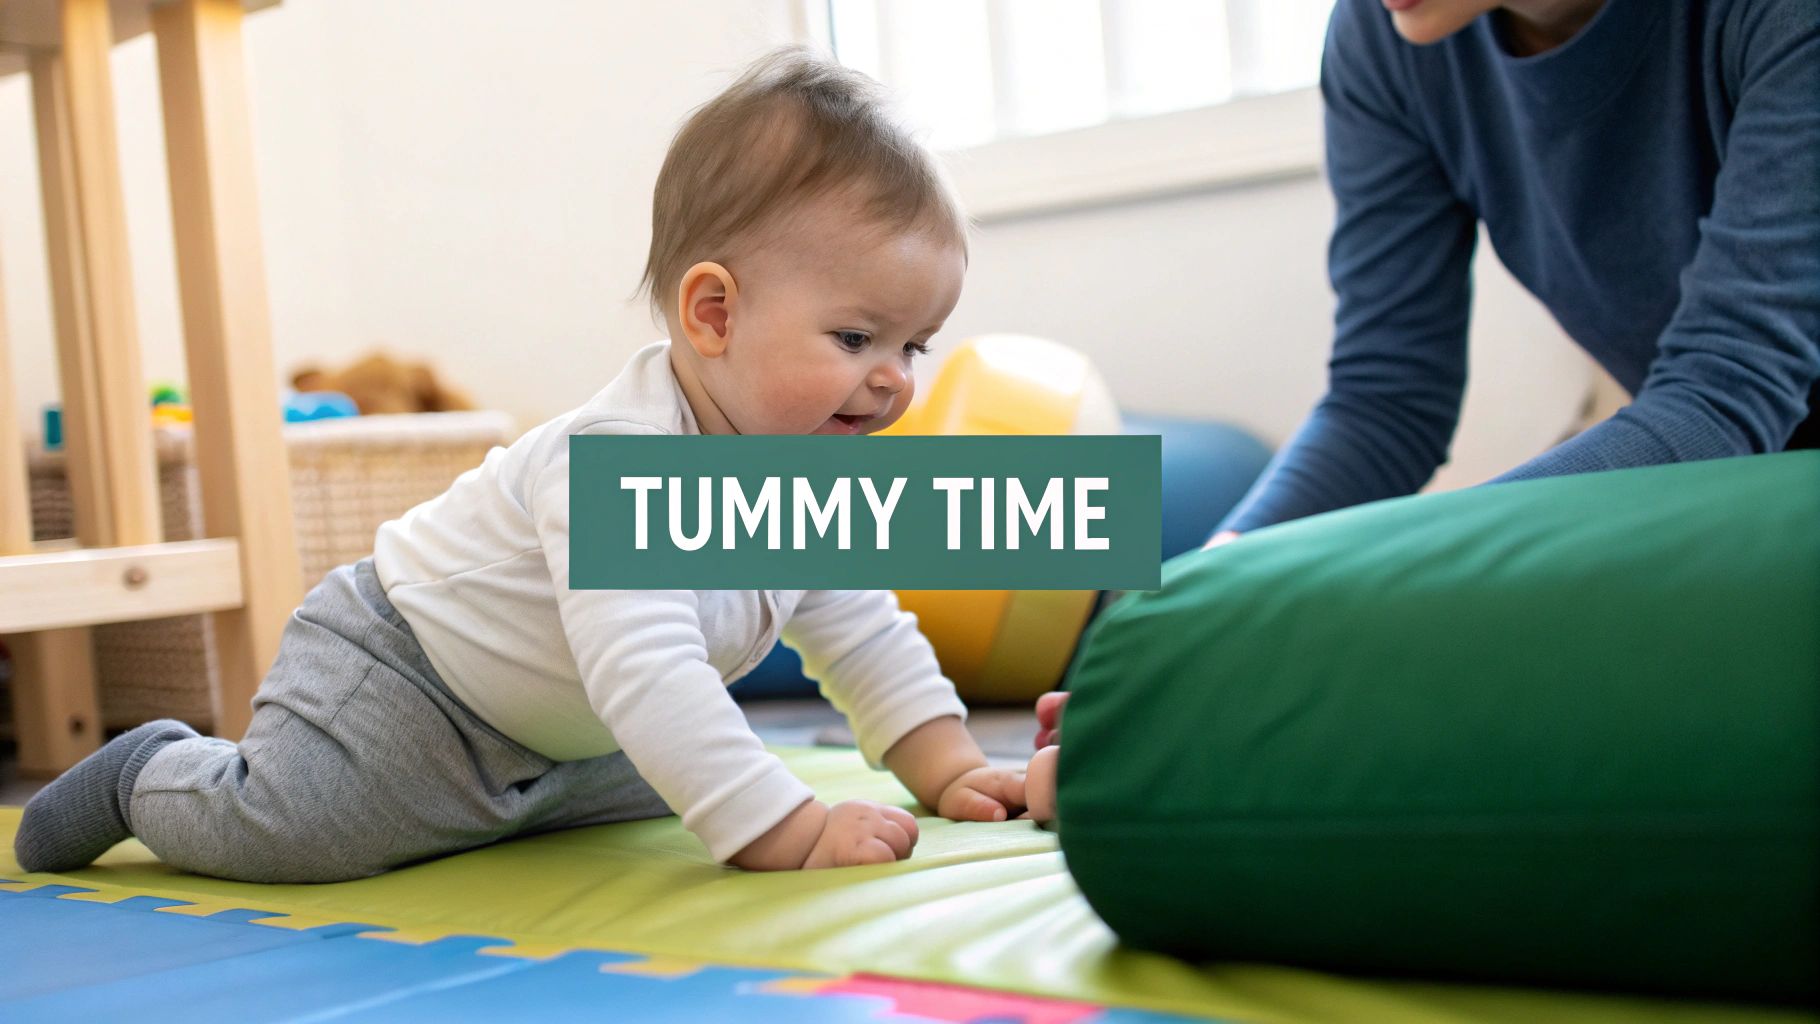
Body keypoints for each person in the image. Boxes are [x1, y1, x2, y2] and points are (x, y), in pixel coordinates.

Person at [15, 47, 1031, 883]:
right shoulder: (617, 461)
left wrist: (944, 763)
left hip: (570, 728)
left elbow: (862, 631)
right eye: (857, 338)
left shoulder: (807, 475)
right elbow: (645, 670)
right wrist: (788, 833)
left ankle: (526, 802)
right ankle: (150, 773)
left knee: (681, 765)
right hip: (404, 678)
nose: (893, 379)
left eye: (915, 345)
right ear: (712, 313)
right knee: (300, 831)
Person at [1030, 0, 1820, 787]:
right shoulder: (1385, 37)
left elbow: (1725, 391)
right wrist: (1192, 609)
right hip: (1726, 494)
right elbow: (1386, 399)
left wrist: (1357, 597)